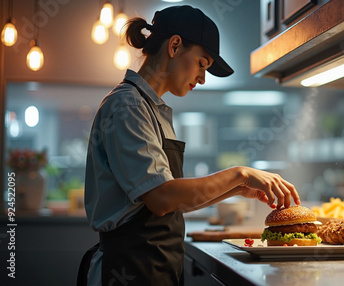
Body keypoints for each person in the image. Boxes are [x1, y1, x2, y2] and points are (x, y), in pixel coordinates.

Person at [77, 5, 300, 286]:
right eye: (202, 64)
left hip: (153, 266)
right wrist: (239, 174)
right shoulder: (127, 106)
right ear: (174, 46)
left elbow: (169, 202)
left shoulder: (151, 108)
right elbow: (161, 198)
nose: (202, 78)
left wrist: (237, 189)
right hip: (126, 269)